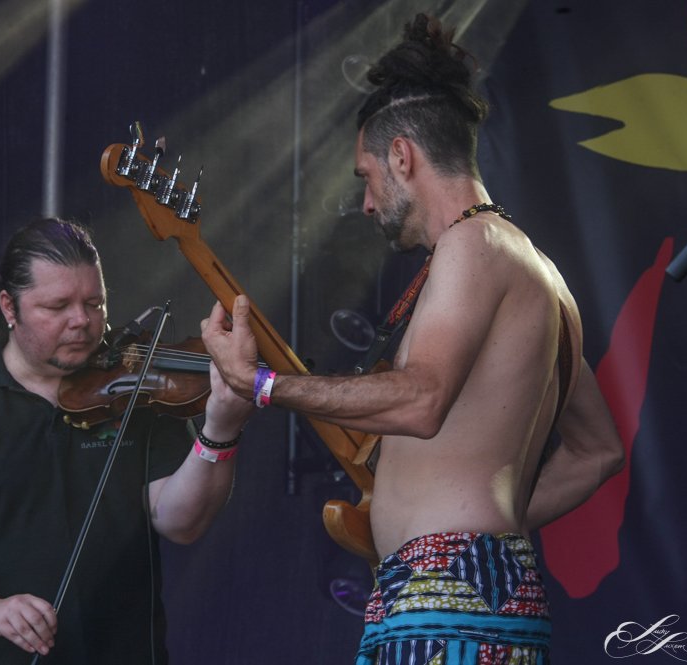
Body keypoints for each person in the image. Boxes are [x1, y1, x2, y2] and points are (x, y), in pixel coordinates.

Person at [201, 14, 624, 665]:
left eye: (366, 176)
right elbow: (598, 451)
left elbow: (424, 400)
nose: (367, 203)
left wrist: (260, 384)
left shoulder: (471, 244)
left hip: (449, 597)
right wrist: (490, 535)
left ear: (402, 156)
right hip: (466, 587)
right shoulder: (540, 275)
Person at [0, 218, 254, 664]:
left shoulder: (136, 391)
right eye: (58, 306)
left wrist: (220, 431)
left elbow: (180, 522)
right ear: (9, 307)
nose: (82, 321)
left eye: (95, 303)